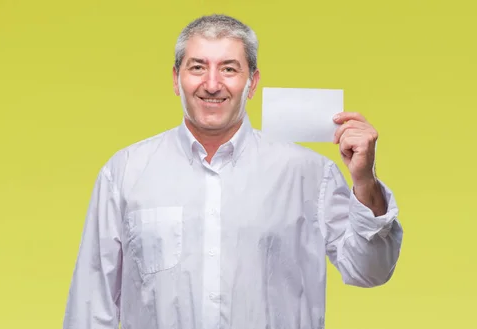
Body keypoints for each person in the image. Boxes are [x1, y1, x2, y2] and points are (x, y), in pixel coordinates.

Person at [62, 14, 403, 329]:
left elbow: (369, 270)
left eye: (229, 69)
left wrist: (365, 182)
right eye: (197, 67)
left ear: (252, 83)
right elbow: (91, 306)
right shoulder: (125, 173)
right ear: (176, 79)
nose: (212, 84)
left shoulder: (308, 174)